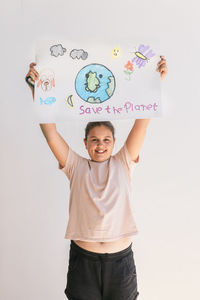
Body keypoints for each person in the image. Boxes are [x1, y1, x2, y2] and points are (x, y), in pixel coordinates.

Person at [25, 56, 167, 300]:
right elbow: (50, 132)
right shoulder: (75, 166)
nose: (100, 145)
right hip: (84, 262)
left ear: (113, 143)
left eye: (106, 140)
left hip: (120, 264)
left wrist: (155, 83)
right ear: (85, 143)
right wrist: (37, 91)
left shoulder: (124, 162)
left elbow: (141, 125)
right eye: (94, 140)